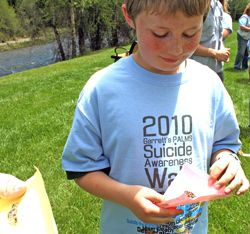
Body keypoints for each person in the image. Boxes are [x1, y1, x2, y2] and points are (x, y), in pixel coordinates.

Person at [62, 0, 250, 233]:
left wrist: (226, 160)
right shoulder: (102, 89)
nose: (176, 48)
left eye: (190, 33)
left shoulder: (208, 84)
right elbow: (81, 167)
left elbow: (224, 143)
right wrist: (128, 196)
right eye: (160, 34)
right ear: (129, 16)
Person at [191, 0, 230, 82]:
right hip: (197, 71)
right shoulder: (194, 4)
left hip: (217, 69)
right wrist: (215, 53)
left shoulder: (218, 5)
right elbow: (186, 43)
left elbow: (218, 36)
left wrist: (222, 50)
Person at [234, 3, 250, 71]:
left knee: (246, 53)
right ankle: (237, 66)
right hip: (242, 37)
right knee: (241, 52)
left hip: (247, 37)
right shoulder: (245, 17)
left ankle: (244, 66)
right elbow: (242, 27)